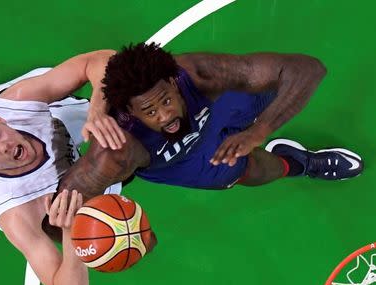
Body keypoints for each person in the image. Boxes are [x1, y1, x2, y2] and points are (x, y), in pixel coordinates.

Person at [0, 50, 152, 285]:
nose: (3, 148)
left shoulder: (17, 104)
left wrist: (97, 109)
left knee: (125, 88)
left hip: (59, 118)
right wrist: (70, 230)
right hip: (55, 190)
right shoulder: (15, 213)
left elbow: (104, 59)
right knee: (79, 216)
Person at [92, 43, 363, 189]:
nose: (164, 116)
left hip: (213, 106)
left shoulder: (199, 74)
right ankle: (299, 164)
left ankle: (255, 127)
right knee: (249, 169)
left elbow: (309, 70)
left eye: (165, 100)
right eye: (150, 111)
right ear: (130, 111)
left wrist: (259, 131)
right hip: (180, 158)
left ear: (173, 82)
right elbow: (64, 212)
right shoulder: (119, 147)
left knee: (271, 87)